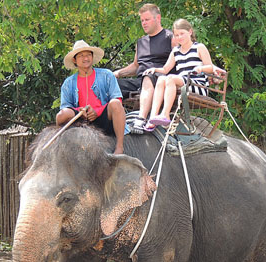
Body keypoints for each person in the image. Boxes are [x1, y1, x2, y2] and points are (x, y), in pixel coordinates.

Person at [143, 18, 225, 131]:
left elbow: (210, 67)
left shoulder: (199, 47)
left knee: (170, 78)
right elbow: (166, 69)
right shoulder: (176, 51)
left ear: (190, 32)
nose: (179, 37)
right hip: (182, 82)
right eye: (176, 35)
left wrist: (200, 68)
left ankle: (165, 114)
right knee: (161, 79)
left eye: (182, 34)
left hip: (197, 84)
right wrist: (154, 69)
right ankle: (153, 116)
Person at [113, 3, 175, 134]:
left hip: (161, 79)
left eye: (147, 19)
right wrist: (117, 73)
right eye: (142, 20)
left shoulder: (170, 37)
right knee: (111, 84)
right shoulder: (141, 42)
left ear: (158, 18)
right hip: (140, 81)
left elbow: (181, 59)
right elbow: (136, 66)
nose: (144, 23)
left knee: (148, 76)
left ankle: (141, 119)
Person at [57, 40, 126, 154]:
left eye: (88, 54)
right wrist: (80, 111)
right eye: (81, 55)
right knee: (62, 115)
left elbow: (117, 98)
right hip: (81, 121)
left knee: (115, 104)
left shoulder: (107, 75)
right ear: (75, 60)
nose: (86, 58)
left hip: (104, 119)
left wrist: (97, 111)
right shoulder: (68, 83)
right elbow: (65, 107)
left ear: (92, 57)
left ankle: (119, 146)